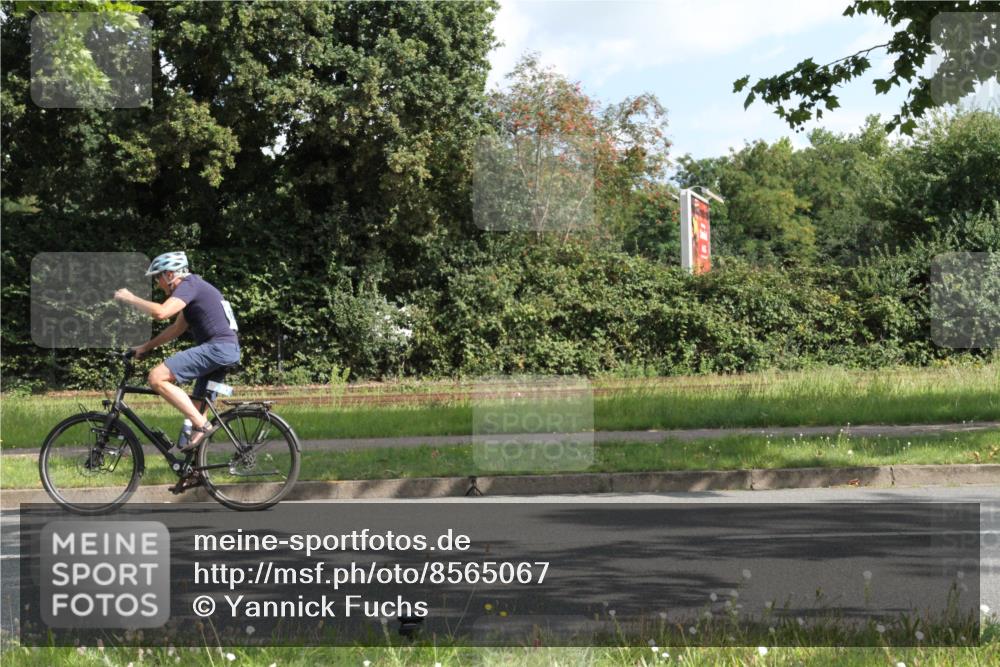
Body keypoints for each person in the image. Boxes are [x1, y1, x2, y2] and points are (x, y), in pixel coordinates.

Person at [114, 251, 240, 452]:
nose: (157, 283)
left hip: (218, 348)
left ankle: (203, 425)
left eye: (158, 277)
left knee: (157, 377)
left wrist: (131, 298)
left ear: (170, 274)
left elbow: (161, 312)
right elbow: (176, 329)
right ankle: (194, 472)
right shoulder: (194, 289)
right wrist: (146, 347)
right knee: (196, 421)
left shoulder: (189, 285)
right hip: (225, 351)